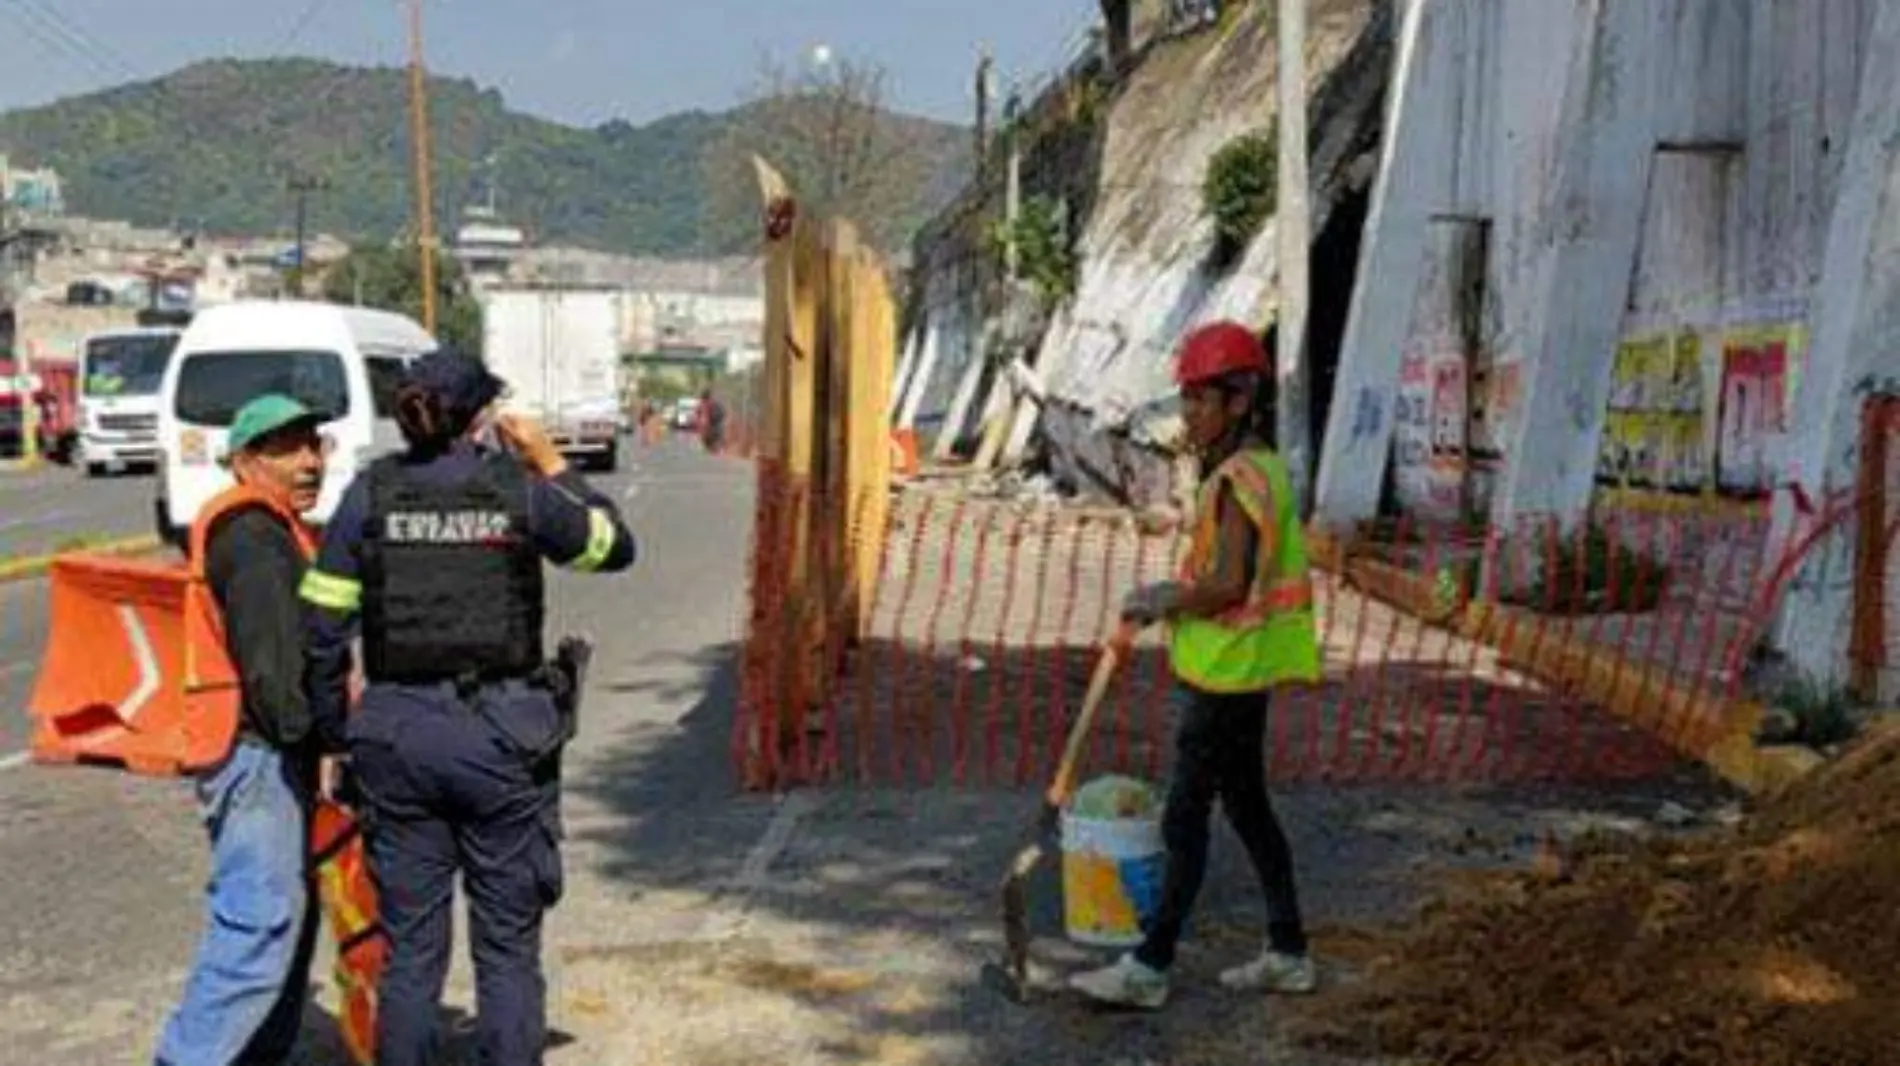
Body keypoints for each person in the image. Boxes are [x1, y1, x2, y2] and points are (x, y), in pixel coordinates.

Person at [298, 347, 635, 1066]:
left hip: (394, 743)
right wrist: (551, 462)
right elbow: (613, 548)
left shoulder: (369, 494)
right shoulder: (520, 489)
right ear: (480, 417)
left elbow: (323, 632)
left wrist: (333, 740)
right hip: (499, 740)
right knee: (507, 950)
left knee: (413, 954)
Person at [1068, 320, 1320, 1010]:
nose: (1190, 415)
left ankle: (1149, 966)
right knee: (1248, 808)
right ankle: (1287, 950)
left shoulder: (1240, 478)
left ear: (1240, 401)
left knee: (1186, 817)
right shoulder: (1258, 467)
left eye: (1203, 401)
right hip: (1240, 669)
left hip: (1225, 675)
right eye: (1185, 401)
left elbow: (1230, 585)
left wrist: (1161, 600)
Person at [156, 394, 331, 1065]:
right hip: (257, 752)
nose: (310, 461)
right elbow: (273, 671)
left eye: (314, 444)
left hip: (263, 751)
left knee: (285, 919)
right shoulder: (255, 539)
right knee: (259, 923)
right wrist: (320, 740)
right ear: (246, 460)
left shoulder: (278, 529)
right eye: (290, 447)